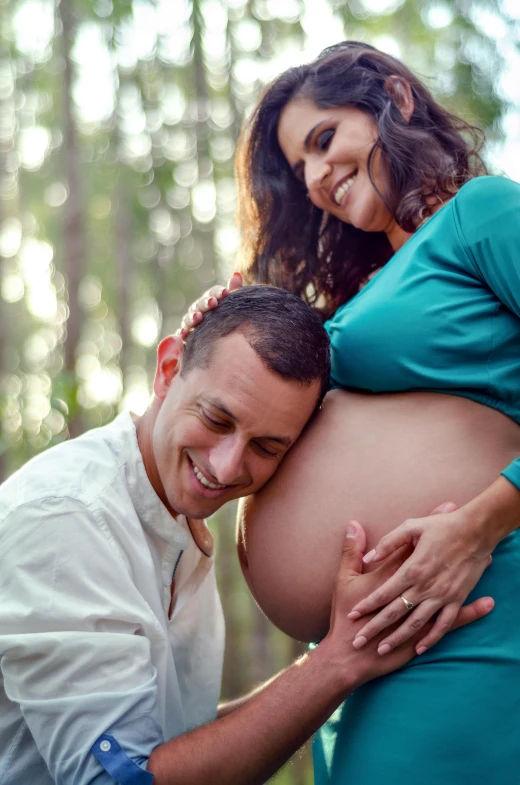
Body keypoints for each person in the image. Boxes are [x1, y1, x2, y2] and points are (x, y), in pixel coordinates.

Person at [181, 42, 520, 784]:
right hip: (359, 652)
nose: (314, 177)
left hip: (473, 601)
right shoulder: (364, 294)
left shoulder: (481, 214)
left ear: (394, 99)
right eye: (299, 168)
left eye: (324, 139)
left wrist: (479, 523)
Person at [0, 285, 490, 785]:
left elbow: (171, 738)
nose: (226, 466)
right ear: (168, 370)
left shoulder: (170, 522)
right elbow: (120, 778)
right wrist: (337, 664)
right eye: (216, 419)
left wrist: (343, 652)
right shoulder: (67, 518)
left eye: (267, 447)